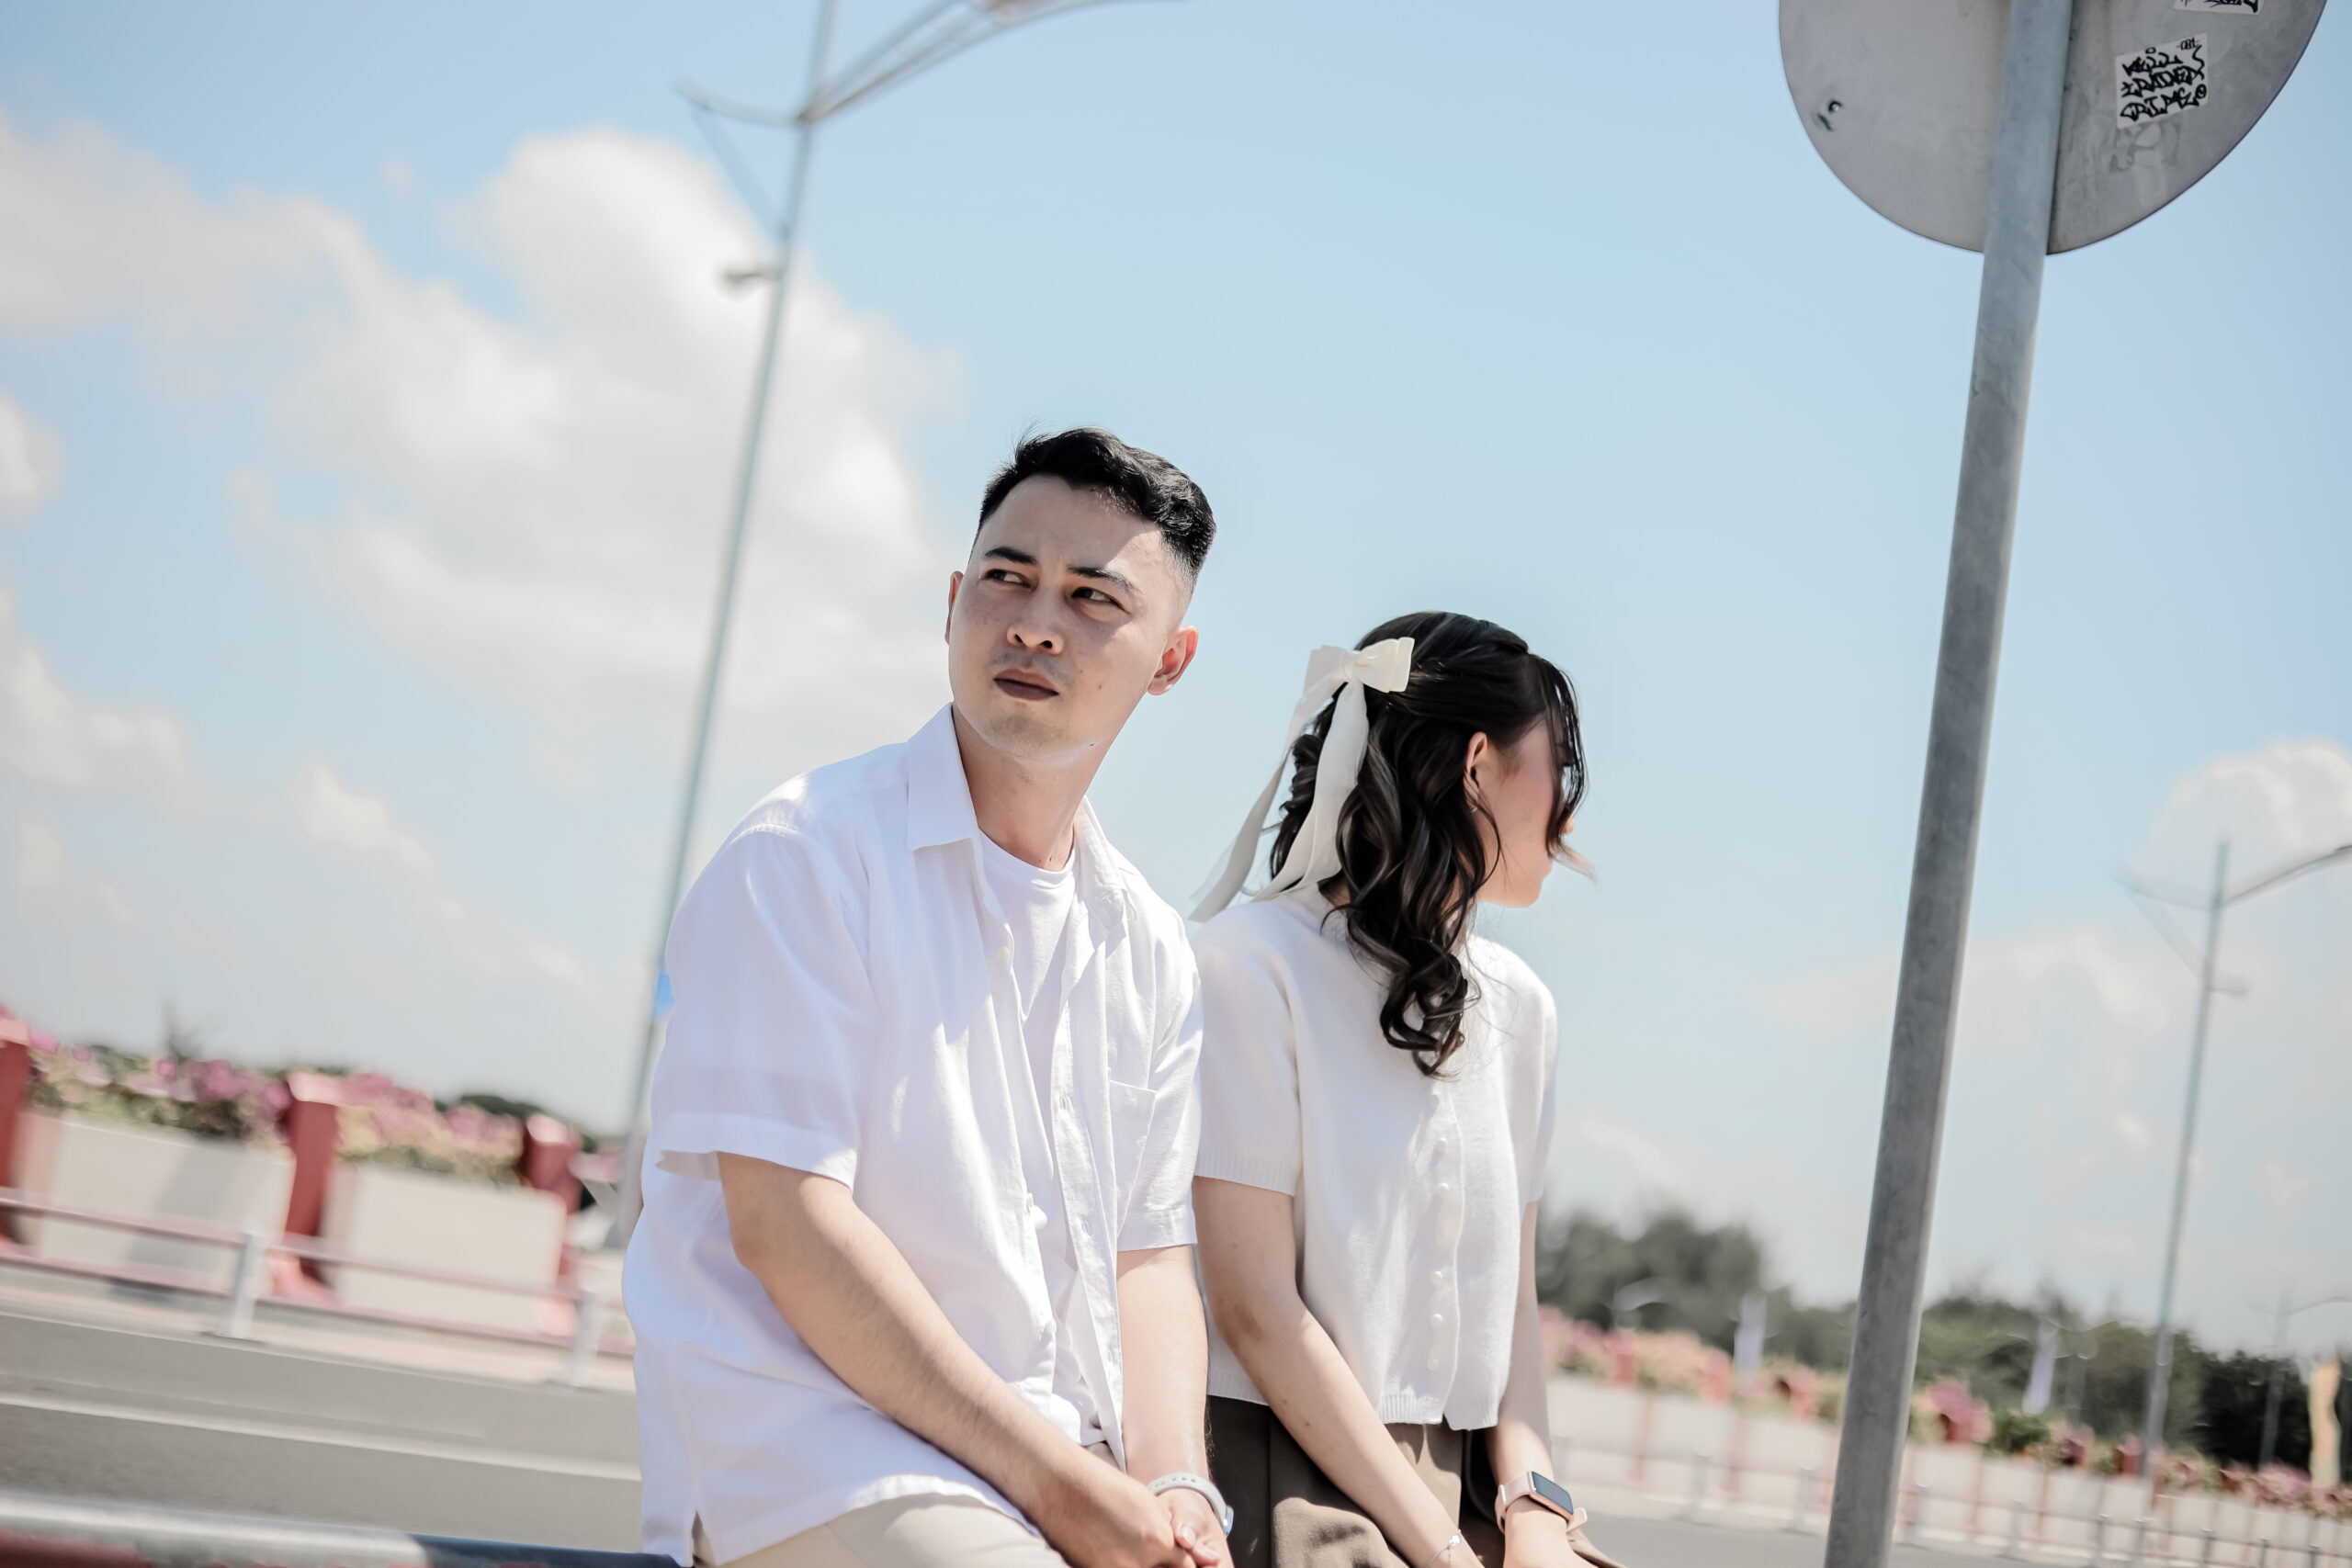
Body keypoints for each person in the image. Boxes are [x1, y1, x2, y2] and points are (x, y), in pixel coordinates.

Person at [626, 429, 1234, 1568]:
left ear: (1170, 661)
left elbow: (1147, 1258)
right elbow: (788, 1225)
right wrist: (1062, 1487)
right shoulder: (805, 854)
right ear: (955, 602)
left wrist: (1176, 1484)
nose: (1036, 624)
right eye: (1007, 577)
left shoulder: (1148, 943)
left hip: (1058, 1471)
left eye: (1093, 597)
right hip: (819, 1454)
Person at [1188, 612, 1617, 1568]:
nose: (1569, 811)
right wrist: (1444, 1551)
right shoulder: (1249, 967)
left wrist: (1537, 1512)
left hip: (1475, 1489)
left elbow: (1513, 1311)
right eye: (1560, 768)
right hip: (1284, 1472)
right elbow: (1256, 1310)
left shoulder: (1523, 1008)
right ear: (1477, 766)